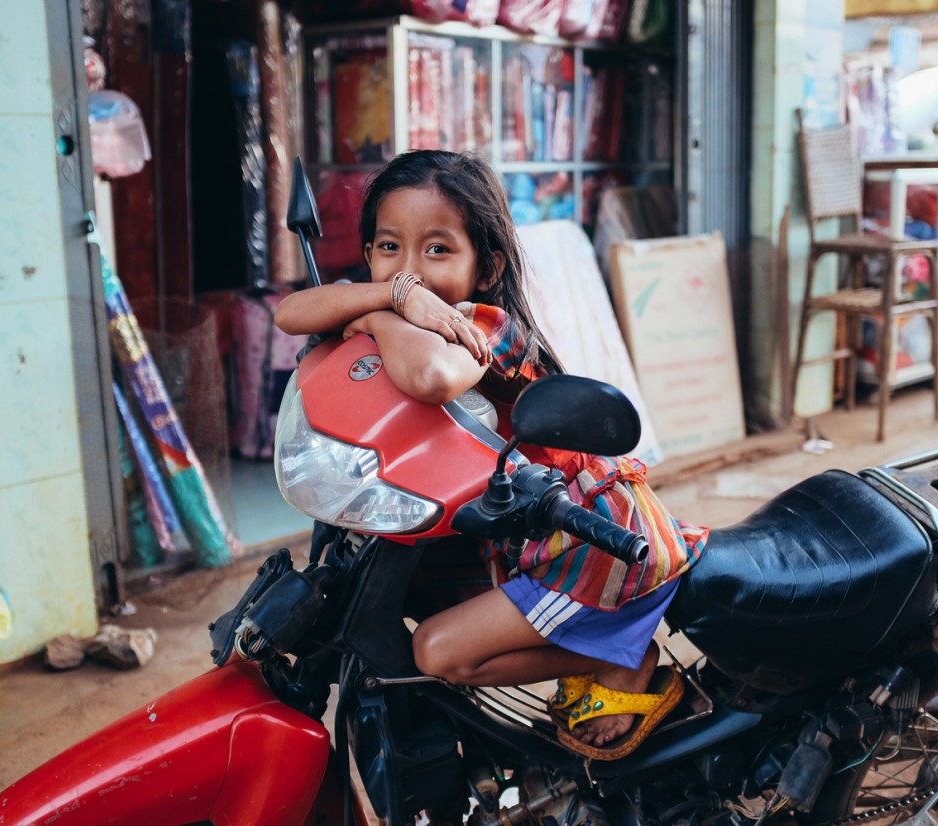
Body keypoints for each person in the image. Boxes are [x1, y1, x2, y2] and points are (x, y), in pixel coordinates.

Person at [275, 150, 706, 761]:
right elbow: (290, 313)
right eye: (389, 246)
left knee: (439, 650)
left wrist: (384, 307)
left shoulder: (482, 324)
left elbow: (429, 377)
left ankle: (629, 655)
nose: (412, 270)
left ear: (488, 266)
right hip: (518, 526)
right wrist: (387, 299)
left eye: (438, 250)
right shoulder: (400, 300)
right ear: (368, 251)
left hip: (587, 537)